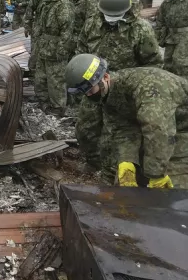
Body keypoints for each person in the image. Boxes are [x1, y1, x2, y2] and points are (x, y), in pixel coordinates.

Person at [75, 0, 162, 177]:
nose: (110, 19)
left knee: (113, 134)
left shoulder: (140, 30)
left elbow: (153, 65)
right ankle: (92, 160)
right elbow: (81, 49)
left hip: (123, 92)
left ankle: (110, 171)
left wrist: (141, 93)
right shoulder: (92, 24)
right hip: (94, 87)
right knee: (85, 128)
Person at [66, 53, 188, 189]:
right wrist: (127, 160)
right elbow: (123, 129)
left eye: (90, 90)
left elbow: (158, 130)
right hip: (157, 130)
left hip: (181, 130)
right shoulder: (109, 94)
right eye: (85, 92)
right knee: (126, 186)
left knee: (174, 192)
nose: (89, 96)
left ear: (105, 77)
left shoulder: (149, 88)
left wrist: (156, 175)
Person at [34, 0, 75, 115]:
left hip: (56, 49)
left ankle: (58, 107)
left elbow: (67, 31)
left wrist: (62, 50)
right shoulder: (48, 3)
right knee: (41, 77)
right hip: (44, 47)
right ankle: (44, 101)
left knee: (56, 80)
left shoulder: (63, 6)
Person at [155, 0, 188, 79]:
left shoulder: (186, 1)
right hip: (170, 36)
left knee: (180, 62)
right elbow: (160, 20)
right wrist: (157, 36)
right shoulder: (166, 3)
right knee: (167, 60)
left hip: (184, 36)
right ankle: (169, 82)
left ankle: (183, 83)